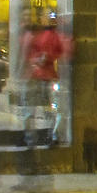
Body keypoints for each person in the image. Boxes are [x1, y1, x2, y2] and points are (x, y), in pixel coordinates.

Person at [19, 17, 67, 147]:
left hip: (40, 76)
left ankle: (37, 138)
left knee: (42, 109)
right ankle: (46, 137)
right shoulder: (39, 35)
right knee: (45, 109)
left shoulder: (42, 35)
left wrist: (43, 58)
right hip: (40, 76)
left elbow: (58, 50)